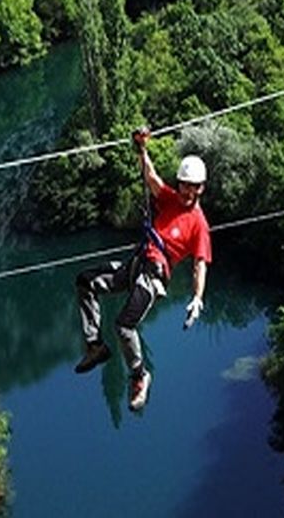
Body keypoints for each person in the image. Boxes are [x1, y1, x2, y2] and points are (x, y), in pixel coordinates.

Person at [74, 128, 212, 411]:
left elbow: (200, 264)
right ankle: (95, 346)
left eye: (194, 187)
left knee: (124, 326)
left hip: (153, 276)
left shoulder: (199, 224)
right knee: (86, 282)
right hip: (136, 264)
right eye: (185, 185)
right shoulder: (171, 198)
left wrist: (197, 298)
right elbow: (150, 178)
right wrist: (141, 149)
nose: (188, 191)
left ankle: (139, 375)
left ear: (202, 189)